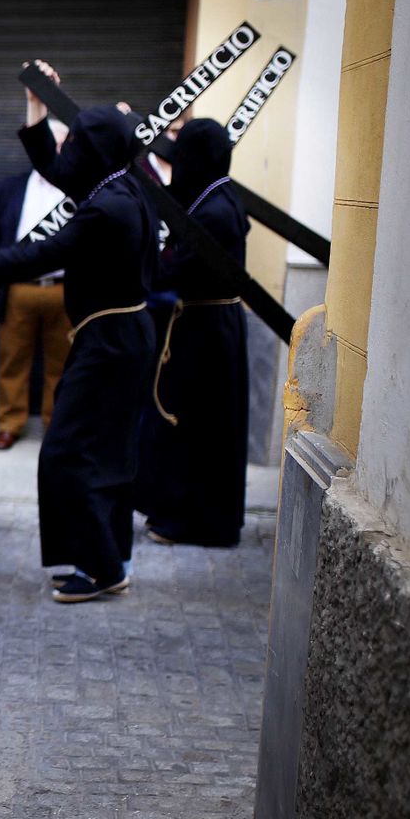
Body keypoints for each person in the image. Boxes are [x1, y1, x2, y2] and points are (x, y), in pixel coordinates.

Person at [0, 61, 159, 604]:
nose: (69, 148)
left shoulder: (107, 208)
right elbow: (57, 168)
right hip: (121, 338)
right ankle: (112, 559)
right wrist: (38, 102)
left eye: (76, 139)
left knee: (66, 453)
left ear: (94, 148)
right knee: (107, 455)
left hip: (109, 345)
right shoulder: (122, 186)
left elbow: (49, 251)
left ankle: (100, 569)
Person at [133, 118, 250, 547]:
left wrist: (137, 268)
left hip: (208, 331)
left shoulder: (216, 210)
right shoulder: (215, 195)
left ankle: (198, 522)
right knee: (193, 421)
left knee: (201, 426)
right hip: (204, 325)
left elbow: (177, 268)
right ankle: (178, 509)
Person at [0, 114, 72, 450]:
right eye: (51, 143)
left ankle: (56, 425)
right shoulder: (11, 188)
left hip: (64, 290)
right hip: (19, 289)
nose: (55, 150)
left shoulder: (78, 189)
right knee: (13, 361)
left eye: (62, 145)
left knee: (62, 364)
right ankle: (9, 424)